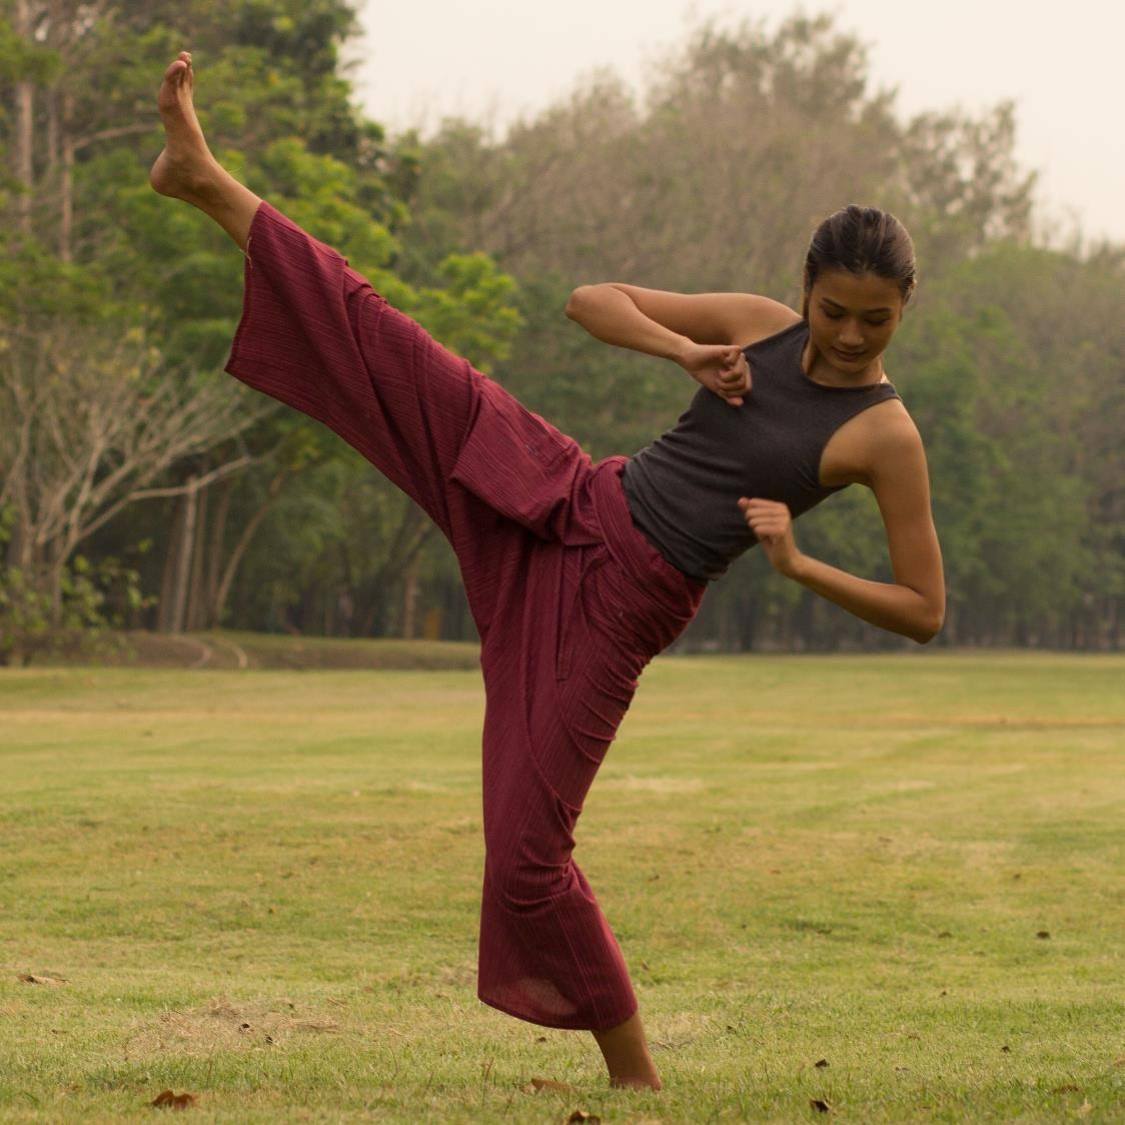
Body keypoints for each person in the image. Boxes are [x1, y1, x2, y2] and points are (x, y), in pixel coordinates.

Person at [150, 52, 944, 1091]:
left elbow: (924, 610)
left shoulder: (886, 435)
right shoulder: (759, 323)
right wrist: (681, 351)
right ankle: (206, 180)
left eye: (871, 320)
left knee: (527, 859)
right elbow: (588, 299)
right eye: (833, 309)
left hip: (618, 608)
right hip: (565, 495)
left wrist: (799, 563)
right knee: (389, 342)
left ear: (903, 311)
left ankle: (634, 1080)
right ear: (806, 288)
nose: (844, 335)